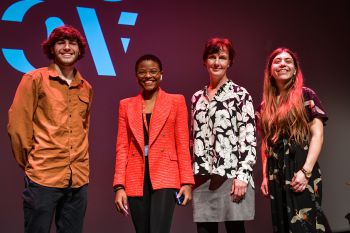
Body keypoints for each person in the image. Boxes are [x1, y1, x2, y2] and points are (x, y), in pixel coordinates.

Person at [7, 25, 92, 233]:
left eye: (72, 43)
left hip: (78, 178)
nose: (66, 47)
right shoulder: (34, 79)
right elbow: (18, 127)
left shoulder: (86, 87)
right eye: (60, 43)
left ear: (79, 50)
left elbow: (84, 128)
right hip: (43, 176)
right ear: (51, 49)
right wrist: (33, 164)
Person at [113, 54, 194, 233]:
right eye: (142, 72)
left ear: (161, 74)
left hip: (166, 174)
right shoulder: (126, 105)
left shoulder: (176, 101)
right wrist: (119, 186)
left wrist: (187, 182)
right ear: (136, 76)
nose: (148, 76)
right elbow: (122, 147)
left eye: (153, 71)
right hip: (135, 176)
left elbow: (182, 144)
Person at [256, 47, 331, 232]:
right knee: (282, 225)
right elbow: (265, 142)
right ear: (270, 70)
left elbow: (317, 135)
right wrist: (265, 176)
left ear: (295, 69)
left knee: (306, 224)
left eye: (288, 61)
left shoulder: (306, 95)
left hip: (300, 165)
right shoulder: (265, 105)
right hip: (275, 171)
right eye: (278, 61)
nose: (283, 64)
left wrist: (305, 172)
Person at [191, 38, 256, 233]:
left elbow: (249, 137)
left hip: (231, 176)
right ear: (205, 61)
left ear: (229, 62)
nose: (217, 62)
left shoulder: (240, 94)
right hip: (202, 177)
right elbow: (193, 139)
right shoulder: (197, 98)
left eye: (222, 57)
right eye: (212, 57)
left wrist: (243, 175)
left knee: (235, 229)